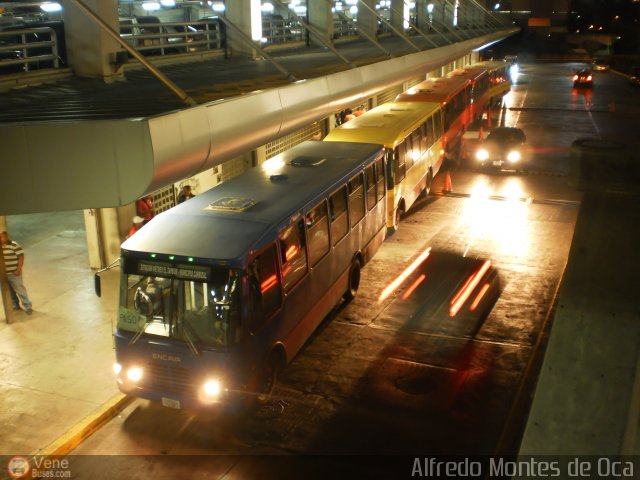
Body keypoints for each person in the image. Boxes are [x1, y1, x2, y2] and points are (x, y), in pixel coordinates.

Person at [1, 231, 33, 315]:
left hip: (14, 273)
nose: (1, 239)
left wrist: (18, 270)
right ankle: (15, 305)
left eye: (2, 237)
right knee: (10, 291)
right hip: (4, 274)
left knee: (19, 290)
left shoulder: (14, 245)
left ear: (6, 236)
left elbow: (21, 258)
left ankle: (27, 306)